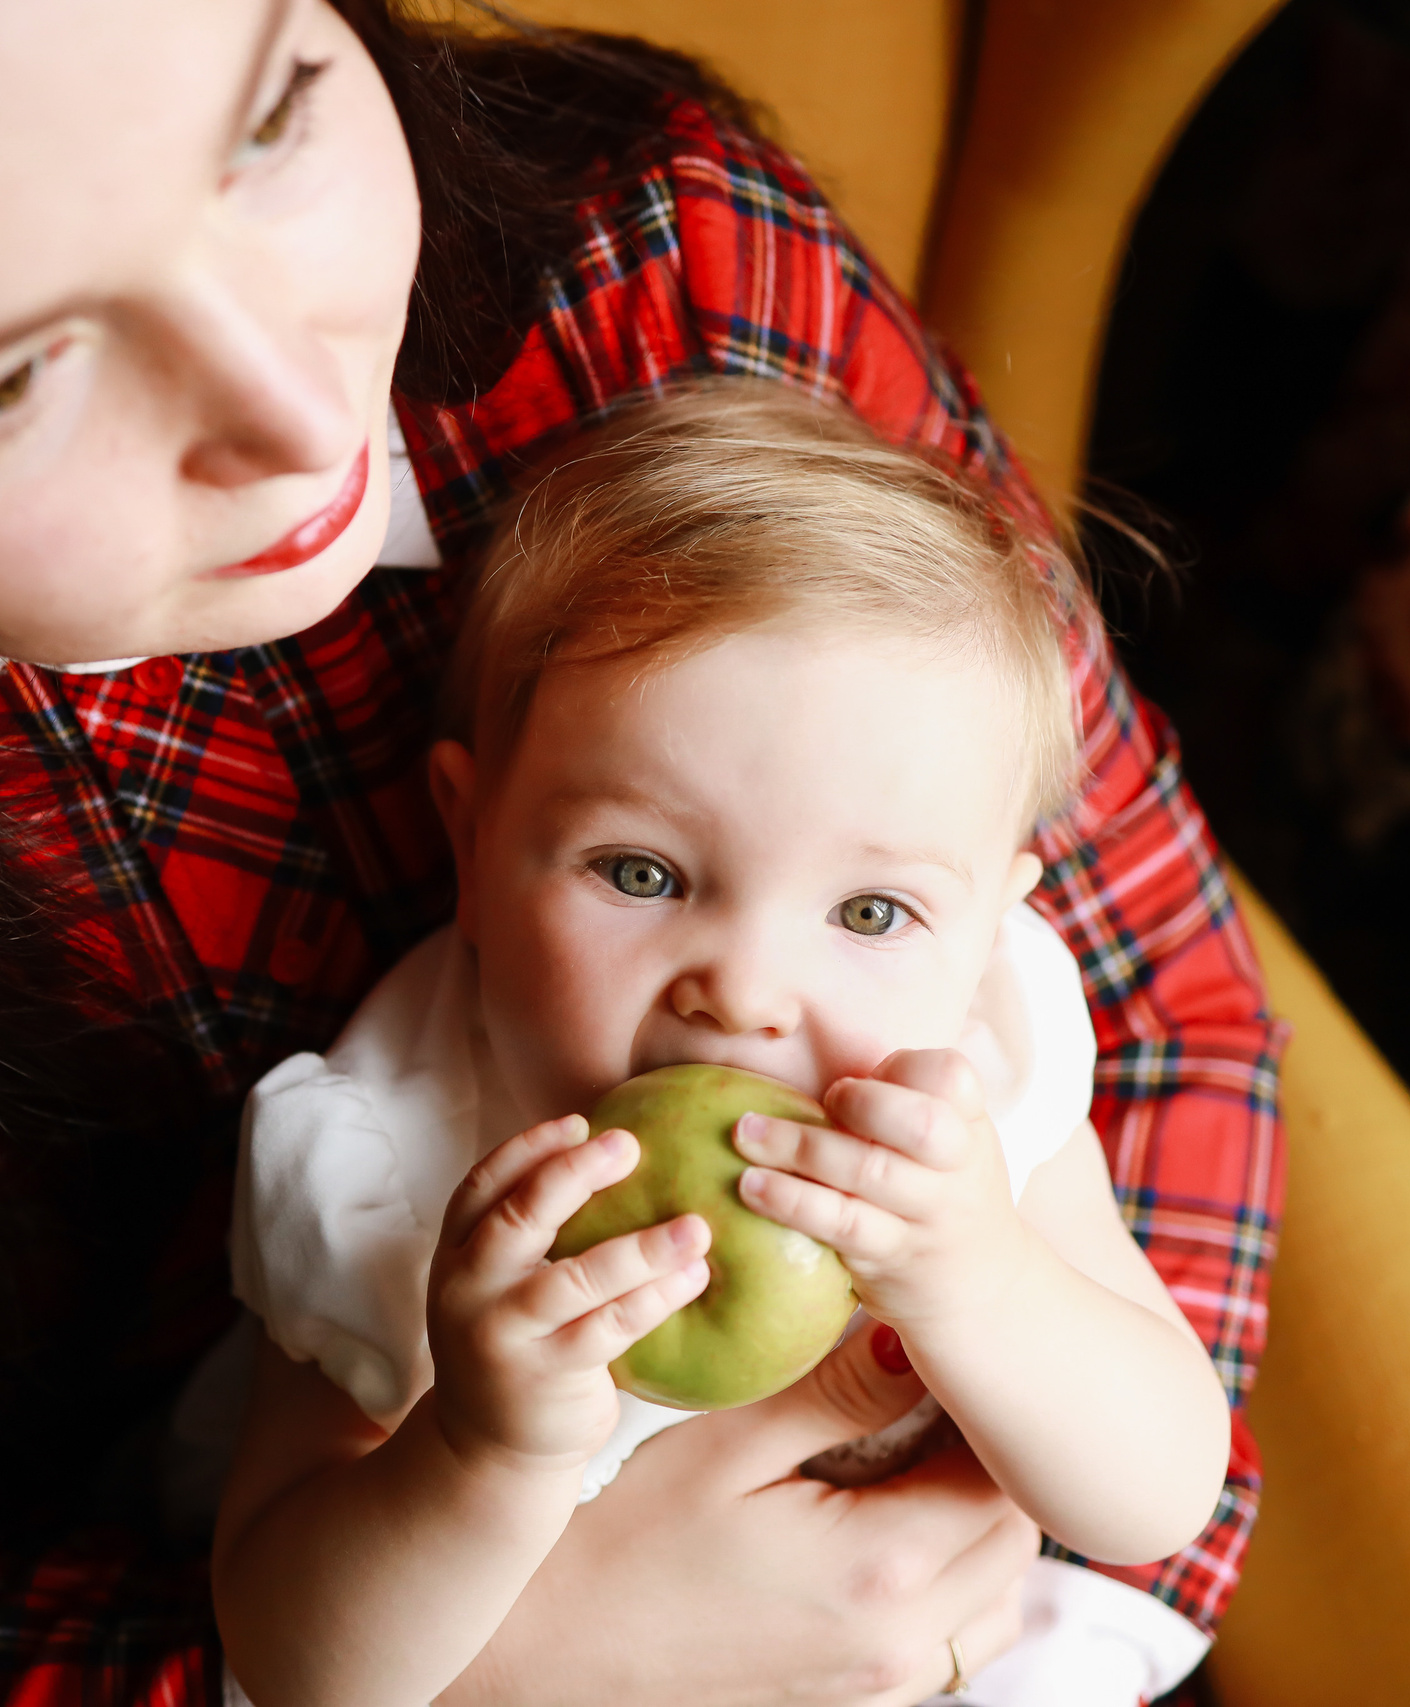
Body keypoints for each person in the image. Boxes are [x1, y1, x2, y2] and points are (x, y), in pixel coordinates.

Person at [0, 2, 1284, 1702]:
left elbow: (1166, 1025)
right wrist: (527, 1643)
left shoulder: (664, 287)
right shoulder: (371, 1158)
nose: (307, 412)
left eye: (276, 116)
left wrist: (1004, 1531)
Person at [211, 384, 1231, 1707]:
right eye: (639, 873)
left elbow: (1158, 1496)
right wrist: (477, 1452)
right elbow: (296, 1665)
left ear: (985, 935)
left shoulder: (967, 1103)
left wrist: (981, 1285)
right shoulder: (384, 1158)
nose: (742, 993)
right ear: (472, 847)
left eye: (871, 912)